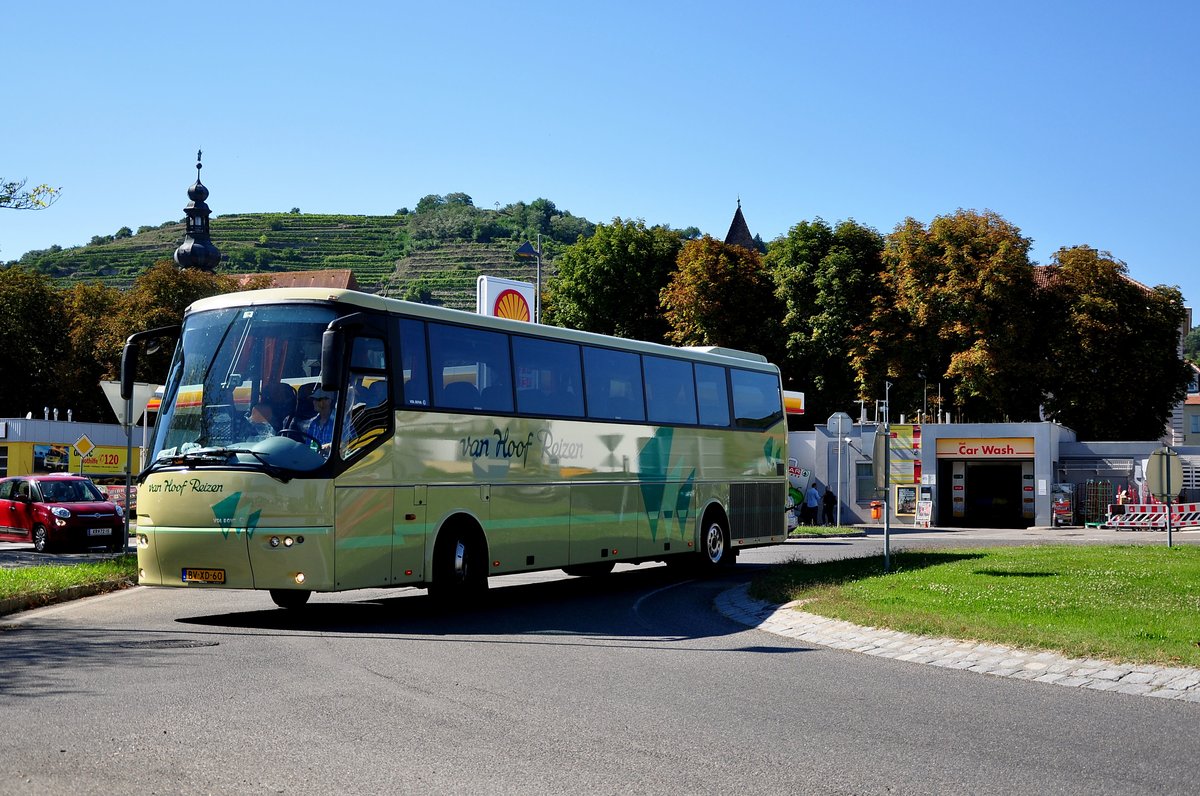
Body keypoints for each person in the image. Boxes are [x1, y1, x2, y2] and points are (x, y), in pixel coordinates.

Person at [301, 387, 336, 452]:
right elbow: (309, 448)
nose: (314, 402)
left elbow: (350, 444)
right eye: (313, 399)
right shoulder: (313, 423)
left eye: (318, 399)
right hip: (315, 460)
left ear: (329, 401)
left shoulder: (341, 421)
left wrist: (332, 446)